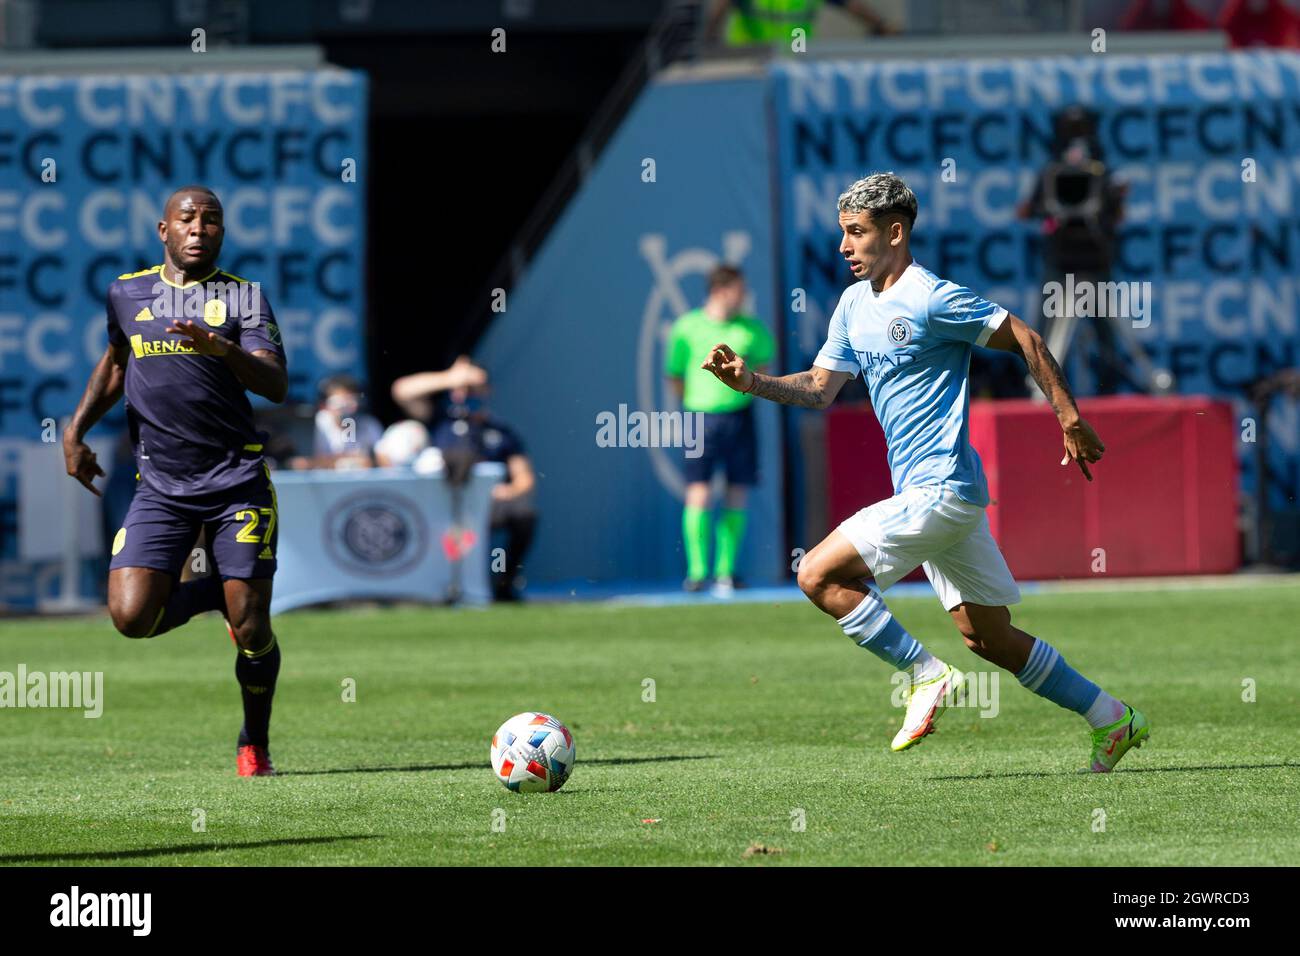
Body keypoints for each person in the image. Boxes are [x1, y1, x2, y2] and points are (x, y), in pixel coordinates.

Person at [700, 171, 1149, 772]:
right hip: (942, 500)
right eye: (842, 233)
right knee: (988, 638)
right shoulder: (854, 304)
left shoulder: (932, 296)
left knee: (815, 574)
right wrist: (748, 381)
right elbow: (816, 388)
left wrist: (1069, 417)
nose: (844, 246)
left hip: (941, 489)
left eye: (856, 233)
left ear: (894, 232)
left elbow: (1025, 336)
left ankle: (925, 674)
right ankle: (1111, 717)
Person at [62, 185, 288, 777]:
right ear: (163, 230)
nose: (199, 229)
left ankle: (253, 743)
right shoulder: (127, 293)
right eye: (187, 219)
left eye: (212, 221)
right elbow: (116, 363)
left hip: (236, 479)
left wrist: (222, 350)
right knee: (133, 618)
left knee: (251, 626)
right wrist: (76, 430)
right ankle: (216, 589)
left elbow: (274, 382)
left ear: (222, 233)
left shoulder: (243, 299)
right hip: (160, 485)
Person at [665, 265, 775, 595]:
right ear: (721, 290)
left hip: (740, 417)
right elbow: (675, 377)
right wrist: (697, 402)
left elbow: (763, 374)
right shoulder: (687, 327)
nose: (744, 296)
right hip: (700, 419)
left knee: (736, 490)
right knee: (698, 491)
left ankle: (726, 572)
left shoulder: (753, 330)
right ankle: (697, 573)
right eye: (739, 290)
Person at [429, 380, 537, 602]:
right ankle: (441, 586)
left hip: (487, 507)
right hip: (444, 509)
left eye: (472, 389)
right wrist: (451, 374)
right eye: (460, 388)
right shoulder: (441, 422)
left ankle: (503, 582)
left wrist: (508, 491)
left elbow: (524, 478)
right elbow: (402, 390)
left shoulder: (500, 431)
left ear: (486, 391)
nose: (465, 395)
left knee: (524, 516)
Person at [291, 374, 383, 469]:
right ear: (325, 404)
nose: (347, 406)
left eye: (352, 400)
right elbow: (300, 463)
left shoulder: (369, 424)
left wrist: (369, 461)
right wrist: (339, 462)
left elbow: (382, 460)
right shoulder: (314, 423)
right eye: (341, 401)